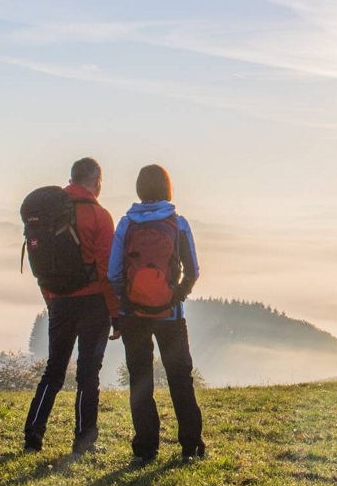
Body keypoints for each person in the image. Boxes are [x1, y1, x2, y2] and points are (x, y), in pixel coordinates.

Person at [22, 157, 119, 455]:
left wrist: (51, 300)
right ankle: (83, 440)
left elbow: (41, 265)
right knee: (88, 374)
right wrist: (115, 311)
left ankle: (33, 436)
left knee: (53, 371)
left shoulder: (48, 213)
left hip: (60, 301)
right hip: (93, 302)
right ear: (96, 180)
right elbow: (107, 269)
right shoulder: (100, 216)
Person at [108, 164, 203, 464]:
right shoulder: (179, 223)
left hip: (133, 315)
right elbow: (193, 271)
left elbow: (113, 273)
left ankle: (146, 449)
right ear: (167, 188)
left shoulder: (125, 224)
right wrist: (175, 297)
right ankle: (191, 446)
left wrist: (128, 302)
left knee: (140, 381)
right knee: (180, 379)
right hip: (171, 315)